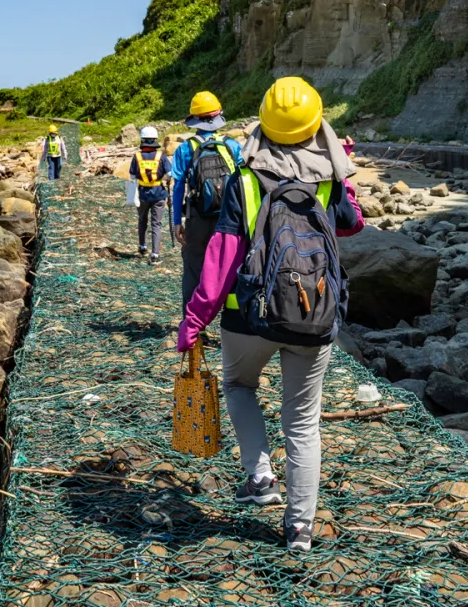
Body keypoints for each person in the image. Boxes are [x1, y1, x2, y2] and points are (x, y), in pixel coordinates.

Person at [176, 77, 365, 553]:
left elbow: (220, 259)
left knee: (239, 387)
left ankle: (260, 478)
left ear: (264, 124)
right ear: (315, 124)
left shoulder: (245, 179)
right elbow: (352, 224)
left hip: (248, 317)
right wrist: (345, 175)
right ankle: (299, 529)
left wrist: (194, 319)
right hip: (314, 315)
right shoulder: (329, 176)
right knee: (303, 422)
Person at [171, 91, 244, 311]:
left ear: (194, 120)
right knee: (232, 267)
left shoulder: (185, 149)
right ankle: (232, 324)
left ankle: (194, 331)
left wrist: (176, 222)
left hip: (197, 219)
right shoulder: (233, 146)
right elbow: (244, 183)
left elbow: (177, 188)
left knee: (194, 271)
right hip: (230, 218)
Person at [128, 126, 171, 264]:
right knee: (156, 224)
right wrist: (164, 179)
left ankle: (142, 246)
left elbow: (132, 176)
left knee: (142, 220)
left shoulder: (137, 156)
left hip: (142, 194)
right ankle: (155, 254)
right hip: (158, 194)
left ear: (143, 140)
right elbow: (170, 175)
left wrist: (131, 194)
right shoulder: (161, 156)